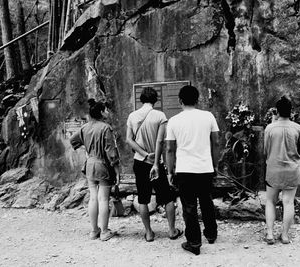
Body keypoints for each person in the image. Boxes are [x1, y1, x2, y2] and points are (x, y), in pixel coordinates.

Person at [166, 85, 220, 255]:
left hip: (184, 169)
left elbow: (169, 149)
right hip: (205, 167)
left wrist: (170, 171)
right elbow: (216, 142)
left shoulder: (174, 121)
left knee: (189, 206)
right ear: (198, 100)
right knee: (206, 201)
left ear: (180, 101)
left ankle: (194, 242)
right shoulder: (208, 116)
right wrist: (215, 164)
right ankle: (211, 234)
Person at [126, 87, 182, 242]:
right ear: (155, 100)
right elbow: (160, 141)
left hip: (139, 161)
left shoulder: (132, 116)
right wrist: (155, 162)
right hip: (156, 163)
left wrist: (144, 155)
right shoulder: (160, 116)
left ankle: (149, 233)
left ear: (141, 99)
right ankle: (171, 231)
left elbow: (129, 139)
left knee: (143, 198)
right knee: (167, 197)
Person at [70, 99, 120, 241]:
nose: (107, 112)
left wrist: (87, 149)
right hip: (103, 166)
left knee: (93, 197)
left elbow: (73, 141)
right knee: (103, 199)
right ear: (101, 112)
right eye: (105, 110)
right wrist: (117, 170)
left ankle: (94, 231)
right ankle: (104, 232)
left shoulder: (84, 128)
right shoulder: (106, 128)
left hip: (90, 165)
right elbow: (112, 153)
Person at [264, 96, 300, 245]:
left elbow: (266, 150)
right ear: (291, 112)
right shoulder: (297, 128)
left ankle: (270, 234)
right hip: (292, 170)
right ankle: (285, 236)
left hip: (273, 170)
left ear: (276, 111)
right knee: (288, 202)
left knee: (270, 201)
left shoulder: (270, 128)